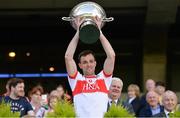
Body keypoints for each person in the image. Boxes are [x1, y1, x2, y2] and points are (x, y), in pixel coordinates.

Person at [65, 16, 115, 118]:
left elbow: (111, 56)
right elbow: (68, 57)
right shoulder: (76, 80)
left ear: (95, 63)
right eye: (85, 62)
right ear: (80, 65)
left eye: (91, 61)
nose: (89, 64)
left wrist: (99, 32)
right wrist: (78, 32)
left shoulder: (104, 78)